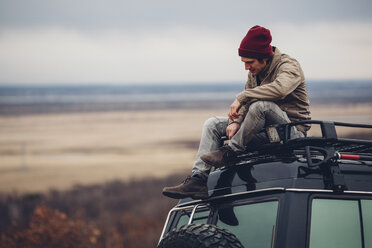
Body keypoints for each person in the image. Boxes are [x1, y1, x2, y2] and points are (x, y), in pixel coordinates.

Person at [162, 25, 311, 200]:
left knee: (261, 106)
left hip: (291, 132)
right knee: (213, 124)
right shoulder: (255, 72)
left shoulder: (289, 66)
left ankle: (230, 152)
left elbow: (280, 89)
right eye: (244, 62)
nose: (246, 67)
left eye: (250, 62)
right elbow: (247, 105)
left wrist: (243, 96)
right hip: (265, 132)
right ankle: (198, 180)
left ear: (264, 57)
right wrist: (236, 121)